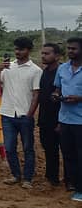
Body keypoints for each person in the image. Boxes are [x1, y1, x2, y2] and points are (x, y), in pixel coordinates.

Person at [0, 37, 42, 189]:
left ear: (29, 50)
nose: (17, 52)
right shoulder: (8, 67)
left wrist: (29, 115)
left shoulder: (35, 70)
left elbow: (36, 95)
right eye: (16, 49)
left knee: (28, 148)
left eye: (21, 49)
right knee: (9, 147)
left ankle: (27, 178)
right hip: (7, 113)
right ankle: (15, 175)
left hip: (24, 115)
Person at [54, 37, 82, 201]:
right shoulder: (62, 68)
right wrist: (56, 95)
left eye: (74, 49)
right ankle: (74, 184)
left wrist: (79, 99)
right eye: (69, 48)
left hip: (80, 121)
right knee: (69, 154)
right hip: (65, 119)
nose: (70, 51)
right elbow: (58, 88)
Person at [39, 43, 64, 187]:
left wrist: (60, 122)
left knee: (67, 150)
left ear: (57, 56)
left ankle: (71, 180)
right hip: (45, 117)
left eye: (47, 53)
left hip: (62, 118)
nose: (43, 56)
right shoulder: (45, 71)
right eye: (42, 53)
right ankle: (52, 178)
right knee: (49, 149)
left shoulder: (63, 71)